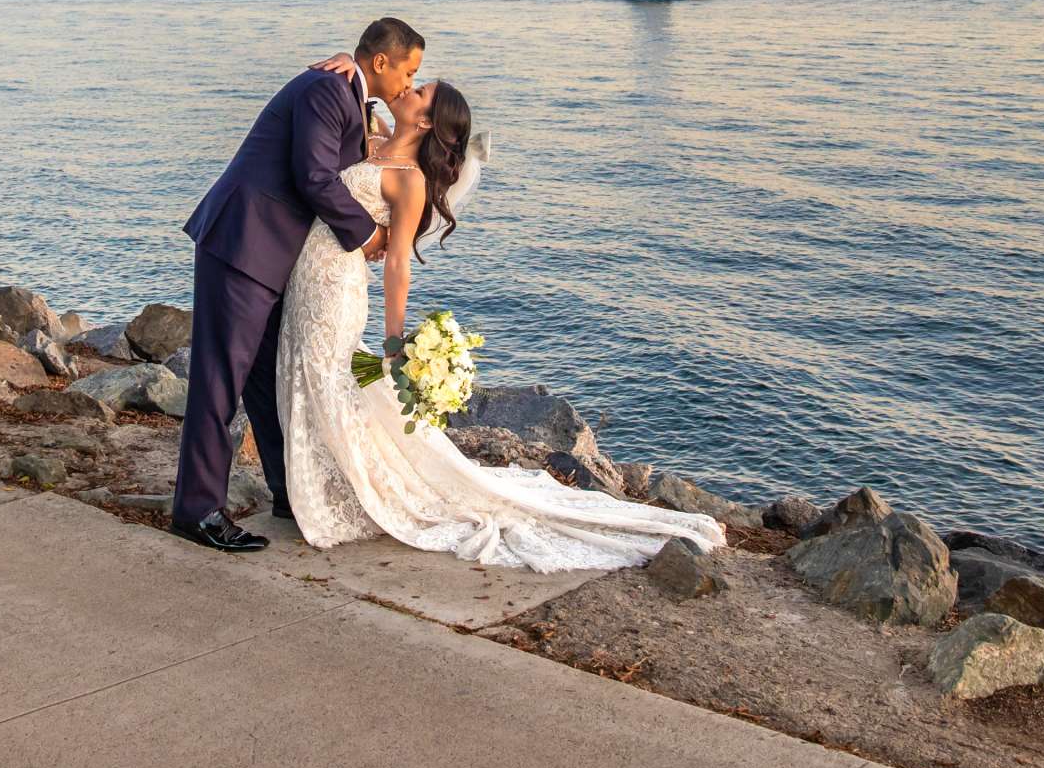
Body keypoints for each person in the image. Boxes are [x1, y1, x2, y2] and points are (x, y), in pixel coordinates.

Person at [271, 72, 725, 570]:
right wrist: (347, 63)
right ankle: (316, 483)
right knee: (308, 375)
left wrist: (394, 340)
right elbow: (357, 93)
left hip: (338, 288)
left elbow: (398, 262)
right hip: (309, 274)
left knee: (326, 379)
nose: (411, 87)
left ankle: (348, 492)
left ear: (425, 120)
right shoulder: (373, 137)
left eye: (420, 92)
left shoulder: (410, 179)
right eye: (415, 81)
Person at [169, 17, 422, 552]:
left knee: (267, 380)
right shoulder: (328, 89)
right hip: (243, 245)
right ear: (382, 61)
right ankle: (198, 510)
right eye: (409, 70)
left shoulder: (348, 94)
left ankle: (288, 490)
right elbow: (313, 177)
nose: (408, 82)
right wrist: (366, 232)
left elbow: (357, 159)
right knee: (220, 380)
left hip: (274, 258)